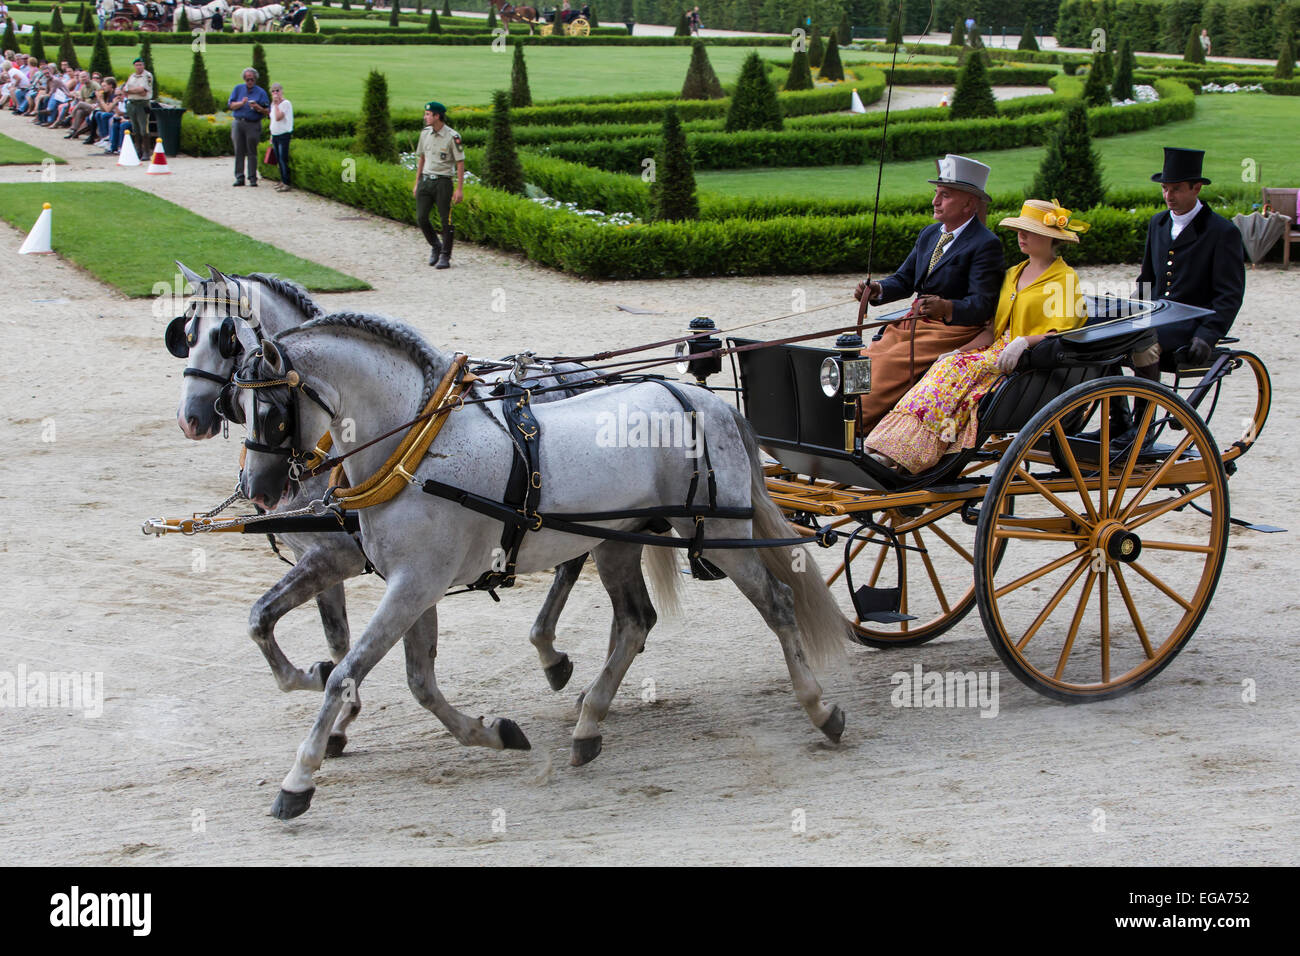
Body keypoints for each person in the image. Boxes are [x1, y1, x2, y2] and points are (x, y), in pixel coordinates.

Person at [864, 199, 1089, 473]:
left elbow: (1064, 333)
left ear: (1050, 238)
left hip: (1032, 356)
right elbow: (991, 329)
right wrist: (958, 351)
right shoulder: (1012, 274)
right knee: (944, 365)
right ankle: (889, 443)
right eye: (1020, 230)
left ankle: (910, 452)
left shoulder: (1064, 279)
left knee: (958, 374)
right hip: (997, 347)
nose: (1021, 236)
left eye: (1029, 231)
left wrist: (1023, 342)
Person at [853, 153, 1006, 432]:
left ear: (969, 203)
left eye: (945, 195)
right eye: (937, 193)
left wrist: (946, 308)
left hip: (951, 331)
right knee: (865, 357)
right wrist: (877, 290)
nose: (935, 201)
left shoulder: (986, 244)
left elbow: (983, 305)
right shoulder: (930, 234)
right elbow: (905, 278)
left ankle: (855, 427)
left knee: (887, 366)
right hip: (914, 325)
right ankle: (845, 417)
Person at [412, 100, 465, 269]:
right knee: (421, 217)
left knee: (445, 220)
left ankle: (445, 256)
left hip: (443, 182)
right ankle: (436, 245)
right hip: (426, 181)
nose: (425, 117)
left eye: (428, 114)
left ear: (437, 116)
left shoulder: (452, 136)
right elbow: (422, 158)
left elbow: (460, 163)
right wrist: (417, 182)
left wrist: (459, 189)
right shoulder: (425, 133)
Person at [228, 66, 270, 187]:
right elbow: (231, 105)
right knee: (239, 151)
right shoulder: (238, 89)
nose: (249, 82)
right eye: (247, 79)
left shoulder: (261, 92)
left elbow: (267, 111)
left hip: (253, 124)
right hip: (238, 122)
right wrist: (241, 103)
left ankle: (252, 178)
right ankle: (239, 177)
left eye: (251, 79)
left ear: (255, 79)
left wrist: (258, 108)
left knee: (252, 151)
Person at [121, 56, 153, 158]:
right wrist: (134, 90)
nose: (139, 67)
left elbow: (143, 91)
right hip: (132, 103)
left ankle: (146, 152)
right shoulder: (132, 76)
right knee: (135, 128)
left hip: (142, 104)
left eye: (140, 65)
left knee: (144, 129)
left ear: (143, 65)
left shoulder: (147, 76)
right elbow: (125, 89)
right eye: (137, 65)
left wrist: (131, 90)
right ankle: (138, 150)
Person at [268, 81, 293, 192]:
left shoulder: (285, 103)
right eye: (273, 91)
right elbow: (273, 120)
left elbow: (279, 117)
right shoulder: (273, 105)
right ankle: (282, 180)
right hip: (275, 135)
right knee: (278, 159)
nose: (275, 93)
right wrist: (271, 134)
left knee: (283, 159)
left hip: (283, 134)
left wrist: (277, 104)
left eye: (277, 90)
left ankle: (287, 182)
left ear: (281, 91)